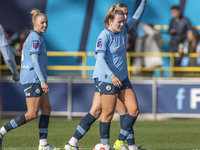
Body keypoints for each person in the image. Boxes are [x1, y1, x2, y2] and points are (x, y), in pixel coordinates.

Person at [64, 2, 149, 150]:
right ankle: (105, 145)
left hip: (122, 78)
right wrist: (111, 76)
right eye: (121, 19)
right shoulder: (104, 35)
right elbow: (100, 58)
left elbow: (136, 17)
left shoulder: (124, 29)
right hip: (106, 78)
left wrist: (144, 1)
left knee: (132, 110)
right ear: (111, 20)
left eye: (124, 19)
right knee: (107, 113)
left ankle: (118, 142)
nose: (124, 22)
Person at [0, 9, 60, 150]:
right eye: (41, 22)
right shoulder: (34, 38)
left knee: (46, 108)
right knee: (32, 114)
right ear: (34, 23)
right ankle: (2, 131)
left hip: (36, 78)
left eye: (46, 22)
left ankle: (43, 145)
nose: (45, 25)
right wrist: (42, 81)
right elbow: (34, 61)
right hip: (33, 79)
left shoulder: (37, 37)